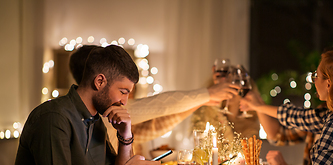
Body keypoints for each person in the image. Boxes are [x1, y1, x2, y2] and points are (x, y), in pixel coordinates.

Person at [8, 45, 161, 165]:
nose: (125, 101)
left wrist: (125, 135)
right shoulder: (53, 118)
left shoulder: (97, 123)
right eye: (123, 91)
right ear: (99, 81)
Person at [69, 45, 240, 155]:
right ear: (97, 76)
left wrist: (202, 100)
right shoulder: (98, 113)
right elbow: (158, 105)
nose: (125, 100)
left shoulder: (110, 113)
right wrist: (207, 94)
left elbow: (152, 128)